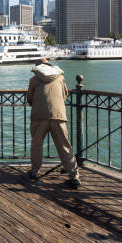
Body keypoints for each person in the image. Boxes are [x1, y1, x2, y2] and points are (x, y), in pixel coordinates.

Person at [27, 58, 81, 189]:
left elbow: (30, 99)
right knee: (64, 146)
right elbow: (64, 95)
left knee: (37, 144)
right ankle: (74, 176)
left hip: (39, 116)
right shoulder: (60, 78)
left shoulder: (34, 80)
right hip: (58, 115)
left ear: (37, 68)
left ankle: (34, 171)